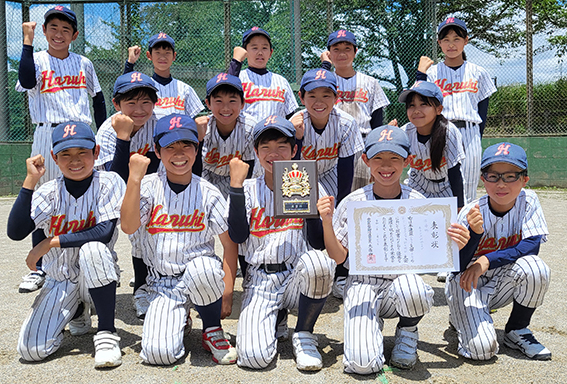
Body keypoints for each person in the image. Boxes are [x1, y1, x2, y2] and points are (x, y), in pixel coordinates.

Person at [318, 125, 470, 374]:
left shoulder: (420, 203)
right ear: (366, 160)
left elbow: (438, 255)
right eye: (378, 158)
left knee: (415, 289)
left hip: (401, 287)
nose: (386, 166)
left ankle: (408, 330)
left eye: (394, 158)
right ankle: (370, 328)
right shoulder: (353, 203)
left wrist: (458, 242)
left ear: (408, 161)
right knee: (362, 364)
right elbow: (338, 257)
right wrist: (326, 222)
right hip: (362, 285)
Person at [120, 114, 238, 366]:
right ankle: (179, 318)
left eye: (186, 145)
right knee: (157, 355)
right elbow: (129, 225)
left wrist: (227, 291)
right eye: (170, 146)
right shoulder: (148, 186)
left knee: (203, 267)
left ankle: (211, 328)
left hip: (202, 278)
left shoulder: (208, 191)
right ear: (157, 151)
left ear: (197, 149)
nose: (179, 153)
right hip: (163, 284)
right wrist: (134, 179)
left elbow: (229, 243)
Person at [7, 122, 125, 368]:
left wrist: (50, 242)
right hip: (60, 279)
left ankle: (106, 332)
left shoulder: (109, 181)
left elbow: (104, 232)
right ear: (54, 158)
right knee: (31, 351)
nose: (75, 160)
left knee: (94, 248)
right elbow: (16, 232)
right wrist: (30, 182)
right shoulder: (48, 192)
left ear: (96, 152)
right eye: (66, 154)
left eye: (82, 152)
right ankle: (77, 310)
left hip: (97, 273)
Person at [227, 115, 336, 371]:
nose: (273, 153)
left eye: (281, 146)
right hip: (260, 280)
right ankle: (275, 317)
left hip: (298, 276)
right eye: (265, 147)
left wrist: (313, 212)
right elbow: (238, 236)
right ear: (255, 151)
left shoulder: (309, 183)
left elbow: (317, 243)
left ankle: (304, 333)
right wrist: (235, 187)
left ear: (294, 149)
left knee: (319, 263)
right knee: (254, 358)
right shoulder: (248, 188)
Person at [15, 5, 106, 292]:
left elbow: (99, 99)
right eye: (52, 27)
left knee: (85, 196)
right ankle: (40, 267)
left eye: (65, 29)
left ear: (74, 35)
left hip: (81, 133)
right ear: (43, 31)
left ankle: (80, 258)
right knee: (43, 199)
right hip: (48, 133)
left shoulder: (84, 63)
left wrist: (101, 133)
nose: (58, 33)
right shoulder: (36, 60)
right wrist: (27, 43)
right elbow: (28, 81)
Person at [446, 142, 551, 361]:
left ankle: (517, 330)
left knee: (535, 267)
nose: (501, 183)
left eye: (510, 176)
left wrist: (486, 259)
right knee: (481, 351)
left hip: (501, 281)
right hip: (467, 285)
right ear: (483, 179)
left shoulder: (528, 200)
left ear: (524, 179)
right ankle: (462, 319)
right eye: (493, 176)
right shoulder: (470, 212)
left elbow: (532, 246)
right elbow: (455, 266)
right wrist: (474, 235)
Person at [95, 71, 159, 319]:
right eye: (131, 102)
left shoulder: (157, 124)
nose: (139, 109)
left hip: (144, 188)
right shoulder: (108, 130)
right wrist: (123, 137)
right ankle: (97, 287)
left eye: (146, 102)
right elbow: (115, 180)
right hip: (108, 191)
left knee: (145, 231)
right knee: (103, 241)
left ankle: (142, 288)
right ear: (117, 104)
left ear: (155, 103)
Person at [417, 17, 497, 203]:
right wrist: (420, 74)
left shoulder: (478, 72)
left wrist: (476, 136)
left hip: (469, 131)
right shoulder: (432, 73)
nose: (451, 44)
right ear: (439, 43)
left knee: (467, 187)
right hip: (438, 130)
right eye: (446, 39)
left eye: (456, 38)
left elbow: (482, 111)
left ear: (466, 40)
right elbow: (417, 101)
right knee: (435, 182)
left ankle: (465, 230)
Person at [320, 29, 390, 189]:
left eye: (347, 49)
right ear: (328, 53)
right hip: (331, 146)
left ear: (355, 52)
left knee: (361, 197)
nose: (342, 53)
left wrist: (375, 154)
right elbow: (318, 88)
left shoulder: (370, 82)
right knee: (332, 195)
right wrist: (325, 66)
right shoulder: (326, 80)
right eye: (336, 49)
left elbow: (377, 124)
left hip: (362, 144)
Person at [291, 68, 363, 204]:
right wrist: (297, 139)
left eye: (326, 95)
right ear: (301, 97)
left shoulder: (346, 123)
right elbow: (290, 165)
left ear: (336, 97)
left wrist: (342, 203)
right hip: (300, 175)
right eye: (312, 96)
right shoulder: (295, 123)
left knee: (334, 208)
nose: (319, 102)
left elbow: (346, 168)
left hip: (330, 173)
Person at [398, 81, 466, 209]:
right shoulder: (404, 132)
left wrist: (459, 207)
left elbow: (455, 172)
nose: (416, 110)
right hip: (417, 184)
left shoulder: (449, 131)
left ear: (438, 109)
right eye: (411, 105)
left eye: (424, 104)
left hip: (445, 186)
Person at [199, 72, 256, 198]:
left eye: (232, 100)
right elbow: (195, 168)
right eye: (218, 101)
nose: (226, 108)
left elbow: (249, 167)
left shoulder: (249, 126)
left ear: (242, 104)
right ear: (208, 103)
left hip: (236, 178)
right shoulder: (203, 127)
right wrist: (198, 138)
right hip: (205, 178)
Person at [123, 32, 204, 120]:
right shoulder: (144, 87)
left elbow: (196, 120)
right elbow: (125, 91)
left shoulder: (185, 89)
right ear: (149, 55)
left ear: (174, 56)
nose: (162, 57)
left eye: (167, 53)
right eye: (157, 52)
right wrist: (130, 62)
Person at [227, 27, 299, 120]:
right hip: (245, 133)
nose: (260, 52)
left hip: (275, 133)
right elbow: (226, 96)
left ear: (270, 52)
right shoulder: (237, 78)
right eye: (254, 48)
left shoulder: (281, 81)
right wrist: (236, 63)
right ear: (245, 51)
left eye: (264, 48)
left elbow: (291, 116)